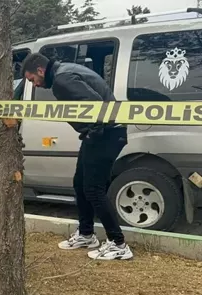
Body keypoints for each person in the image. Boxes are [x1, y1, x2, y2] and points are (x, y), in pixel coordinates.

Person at [21, 52, 133, 261]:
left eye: (32, 80)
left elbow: (95, 105)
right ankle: (86, 234)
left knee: (93, 189)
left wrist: (93, 131)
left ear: (40, 71)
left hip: (106, 134)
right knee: (80, 183)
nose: (34, 85)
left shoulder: (62, 79)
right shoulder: (65, 71)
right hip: (102, 133)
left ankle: (118, 244)